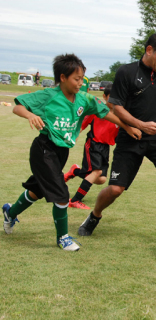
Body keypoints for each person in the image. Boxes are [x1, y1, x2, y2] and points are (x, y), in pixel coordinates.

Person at [2, 54, 141, 252]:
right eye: (76, 79)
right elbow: (18, 106)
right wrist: (31, 114)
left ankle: (10, 212)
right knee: (61, 194)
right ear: (62, 77)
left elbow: (107, 113)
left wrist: (127, 127)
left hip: (61, 153)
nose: (80, 83)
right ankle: (63, 238)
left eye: (82, 78)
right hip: (44, 149)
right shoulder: (49, 95)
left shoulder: (84, 99)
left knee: (37, 190)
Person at [77, 33, 156, 248]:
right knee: (116, 189)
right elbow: (115, 106)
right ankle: (94, 215)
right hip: (131, 138)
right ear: (149, 50)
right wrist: (138, 125)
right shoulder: (126, 72)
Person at [64, 84, 118, 209]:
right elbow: (82, 124)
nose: (114, 100)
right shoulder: (97, 110)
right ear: (104, 96)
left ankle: (75, 171)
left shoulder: (120, 114)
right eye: (111, 97)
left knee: (101, 179)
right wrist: (74, 137)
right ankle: (75, 200)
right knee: (96, 171)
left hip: (105, 148)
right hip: (93, 144)